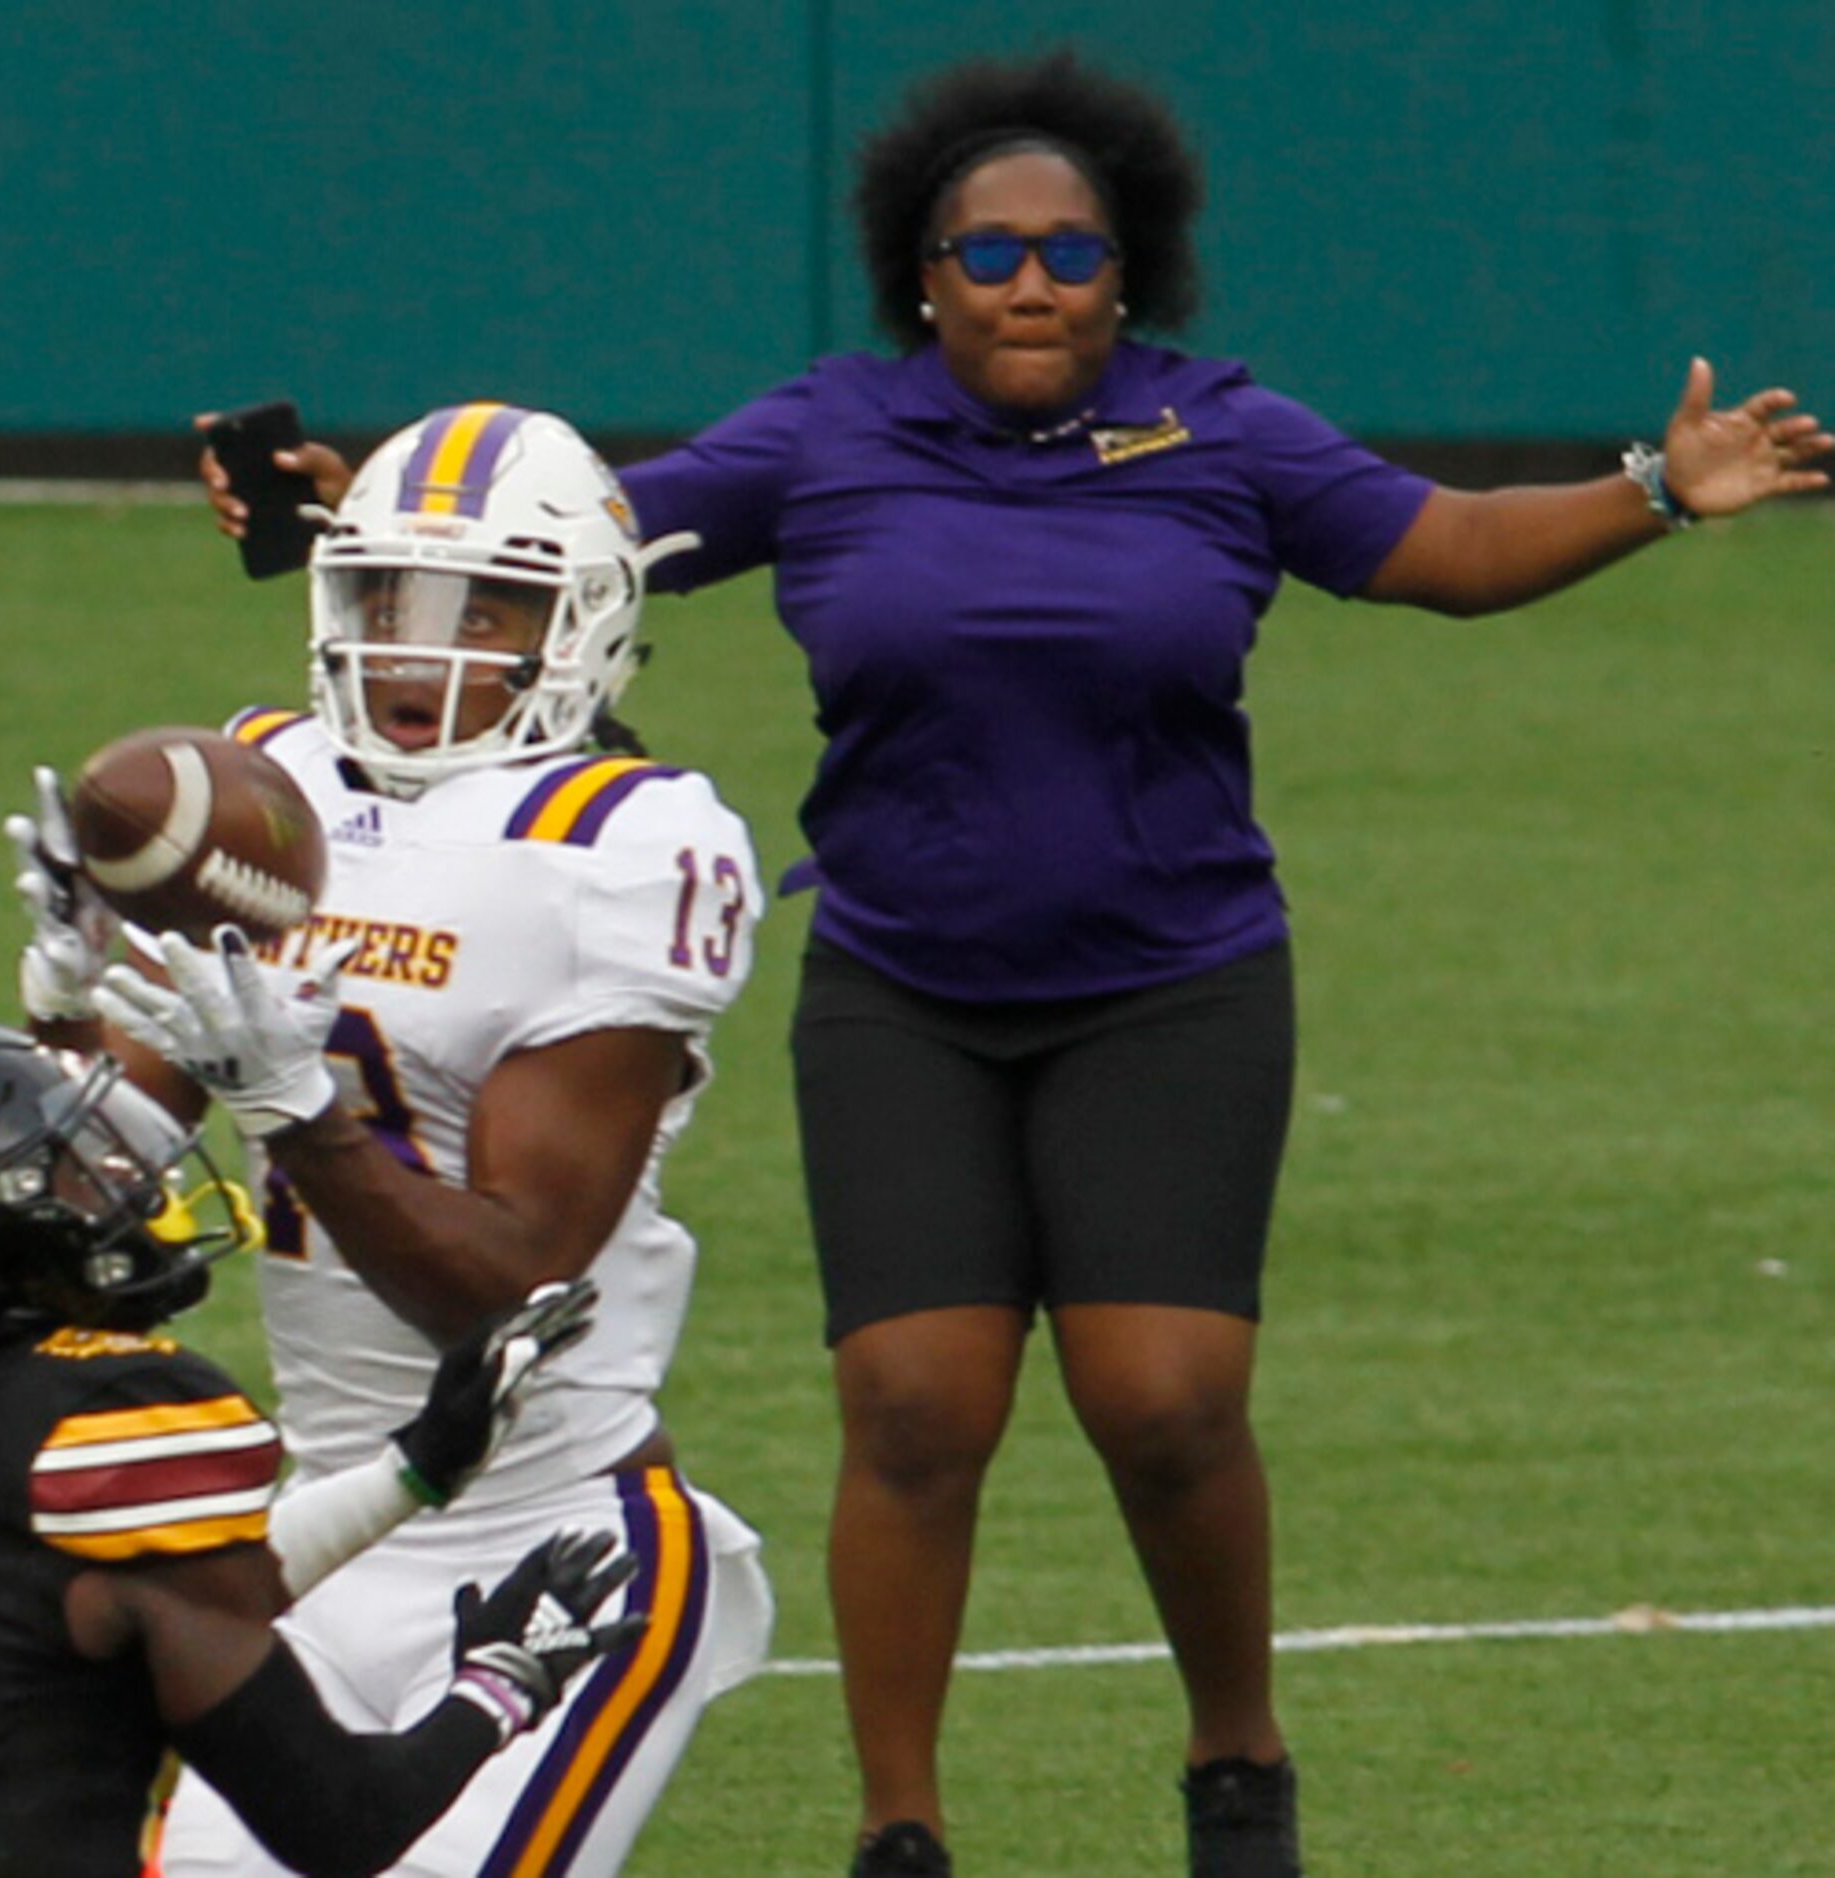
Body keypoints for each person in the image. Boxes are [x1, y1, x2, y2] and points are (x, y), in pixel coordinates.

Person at [195, 52, 1831, 1878]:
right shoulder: (824, 433)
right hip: (902, 983)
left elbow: (1440, 547)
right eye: (987, 252)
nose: (1030, 281)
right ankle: (901, 1822)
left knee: (1165, 1398)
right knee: (911, 1409)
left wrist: (1660, 489)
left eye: (1071, 250)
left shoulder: (1226, 432)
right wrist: (368, 513)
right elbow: (566, 546)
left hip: (1175, 977)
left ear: (1131, 273)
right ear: (923, 273)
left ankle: (1236, 1757)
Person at [25, 401, 774, 1877]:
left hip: (553, 1541)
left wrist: (297, 1109)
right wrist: (60, 1017)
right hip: (313, 1524)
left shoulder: (623, 841)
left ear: (587, 627)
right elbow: (92, 1209)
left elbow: (508, 1293)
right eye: (384, 597)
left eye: (482, 608)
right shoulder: (263, 780)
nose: (415, 648)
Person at [0, 1020, 643, 1878]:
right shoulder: (110, 1408)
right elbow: (343, 1824)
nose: (124, 1185)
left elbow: (151, 1597)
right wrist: (501, 1685)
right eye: (73, 1176)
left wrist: (414, 1470)